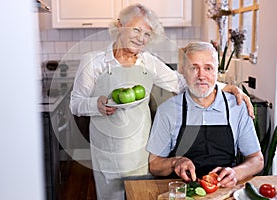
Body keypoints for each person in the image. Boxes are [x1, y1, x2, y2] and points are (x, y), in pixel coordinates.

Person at [70, 4, 253, 199]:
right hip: (107, 153)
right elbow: (75, 103)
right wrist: (95, 104)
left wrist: (224, 87)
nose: (141, 38)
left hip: (140, 152)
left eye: (147, 34)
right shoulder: (93, 62)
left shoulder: (148, 62)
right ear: (119, 25)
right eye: (136, 30)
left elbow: (182, 82)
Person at [146, 42, 264, 188]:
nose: (201, 76)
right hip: (183, 192)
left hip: (225, 191)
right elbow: (154, 164)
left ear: (217, 71)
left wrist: (236, 173)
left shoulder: (237, 107)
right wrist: (175, 162)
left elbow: (256, 160)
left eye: (208, 68)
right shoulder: (167, 110)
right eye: (194, 68)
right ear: (183, 71)